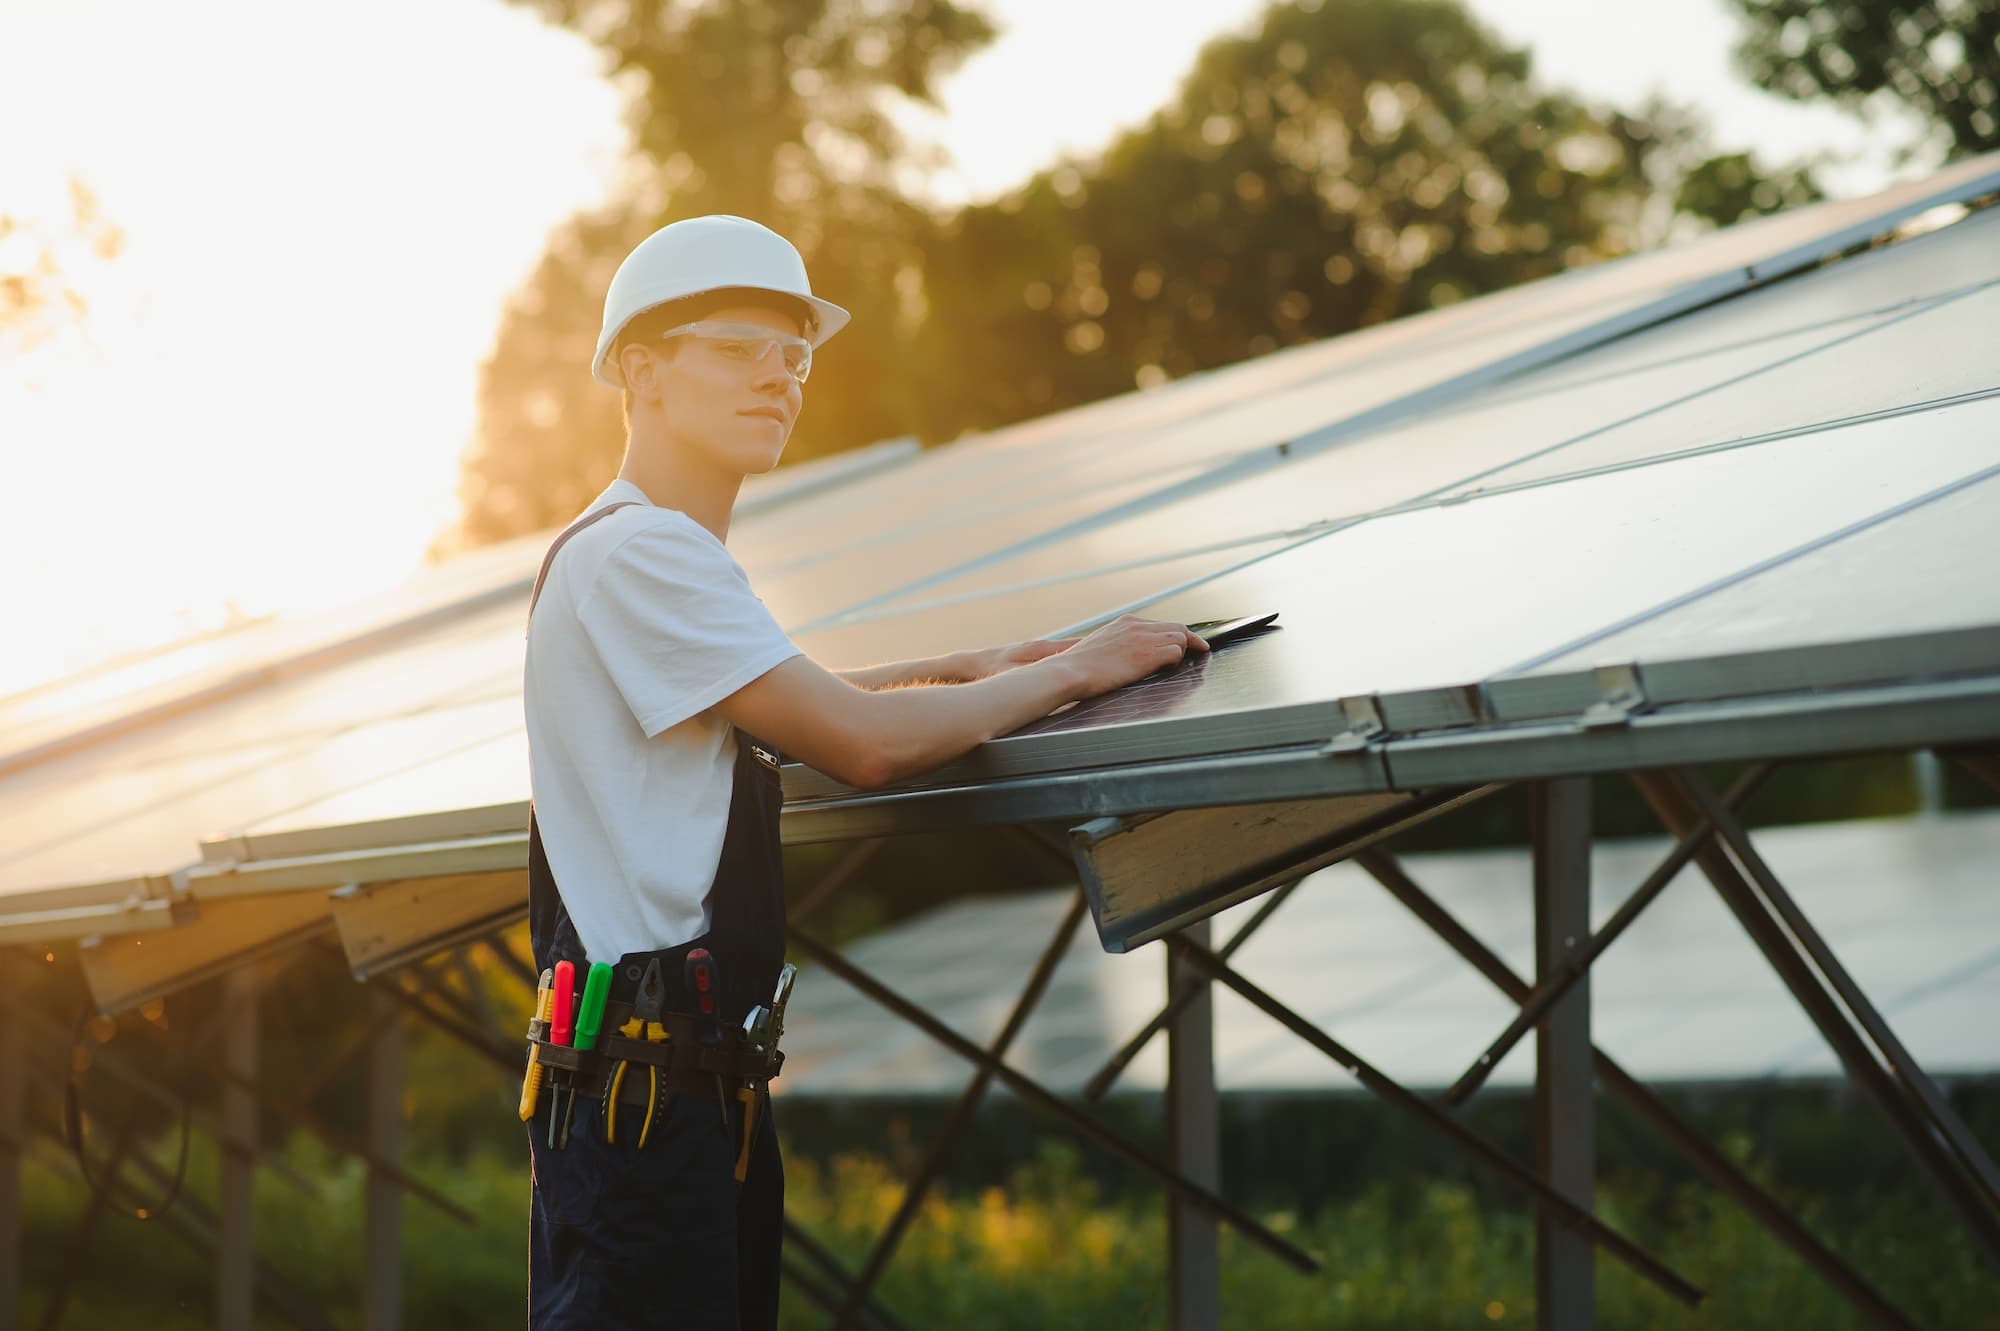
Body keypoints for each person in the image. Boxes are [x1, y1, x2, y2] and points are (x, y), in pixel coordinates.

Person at [521, 214, 1208, 1330]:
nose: (779, 376)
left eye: (794, 352)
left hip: (667, 1089)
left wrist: (976, 665)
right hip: (647, 1102)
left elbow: (787, 698)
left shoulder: (649, 553)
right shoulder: (640, 552)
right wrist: (1079, 665)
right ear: (640, 371)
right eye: (740, 344)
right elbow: (861, 739)